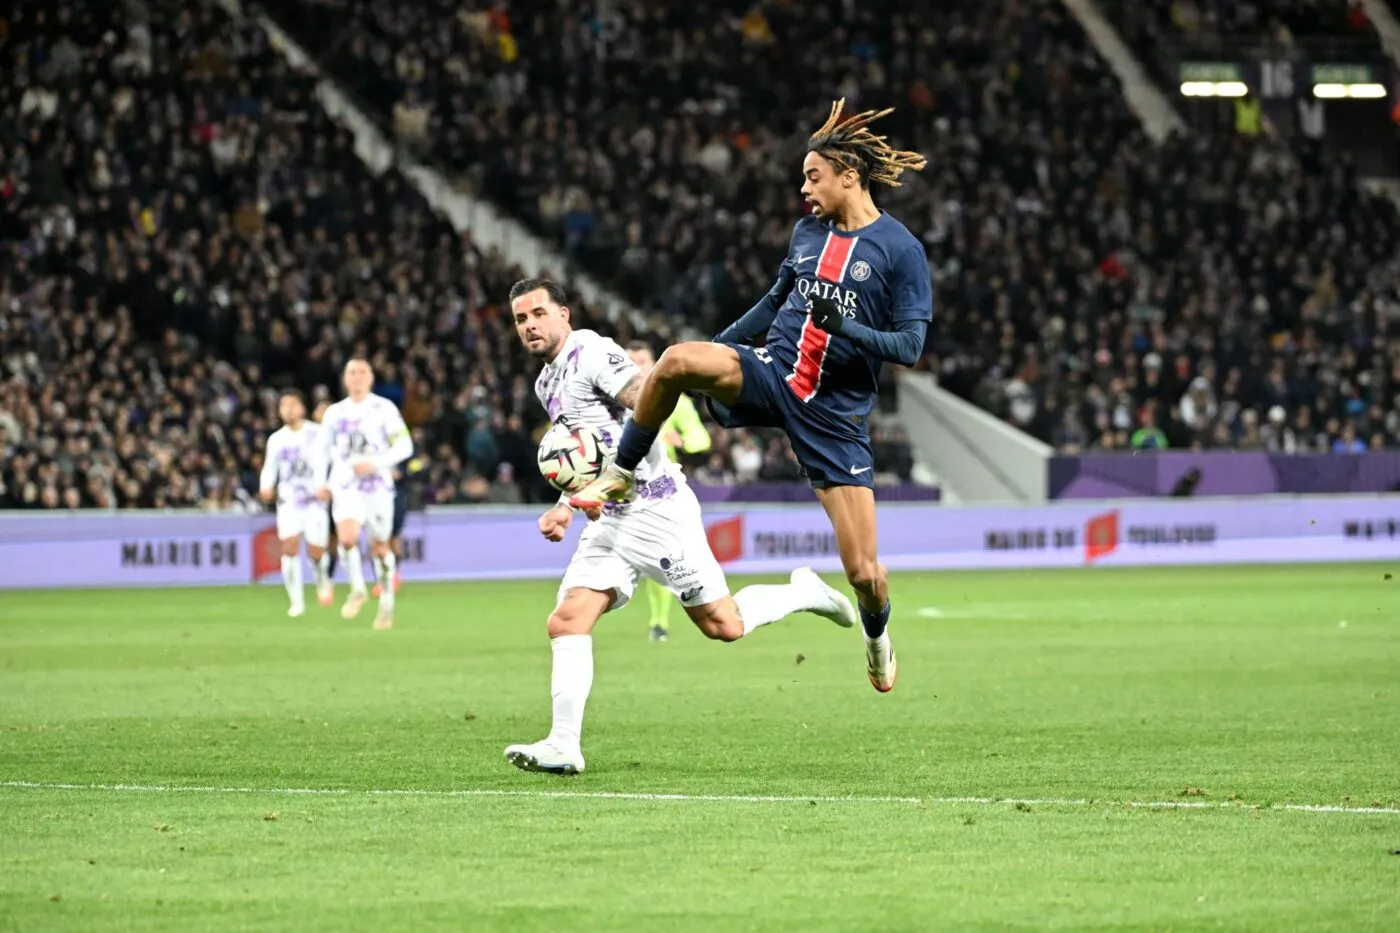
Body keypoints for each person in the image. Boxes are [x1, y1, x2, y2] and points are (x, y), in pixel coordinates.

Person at [571, 100, 933, 693]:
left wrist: (845, 330)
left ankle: (876, 637)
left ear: (850, 175)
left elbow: (911, 345)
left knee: (865, 573)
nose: (803, 188)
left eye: (813, 177)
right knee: (677, 360)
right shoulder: (807, 233)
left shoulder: (899, 250)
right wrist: (721, 349)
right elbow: (773, 303)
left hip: (834, 415)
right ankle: (620, 470)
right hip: (772, 371)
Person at [505, 277, 857, 775]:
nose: (530, 326)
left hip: (657, 508)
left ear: (564, 313)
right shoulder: (547, 383)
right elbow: (583, 453)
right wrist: (567, 504)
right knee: (566, 620)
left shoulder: (591, 352)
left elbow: (644, 400)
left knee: (723, 625)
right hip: (611, 520)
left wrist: (609, 480)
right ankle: (564, 744)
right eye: (521, 319)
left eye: (538, 313)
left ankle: (806, 591)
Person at [625, 339, 713, 643]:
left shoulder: (675, 401)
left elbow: (702, 440)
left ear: (654, 364)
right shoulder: (608, 399)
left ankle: (659, 622)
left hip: (659, 492)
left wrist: (682, 442)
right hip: (618, 493)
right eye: (629, 359)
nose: (635, 365)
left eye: (641, 359)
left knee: (663, 561)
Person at [316, 359, 414, 629]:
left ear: (370, 378)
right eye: (351, 372)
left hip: (377, 485)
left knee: (380, 547)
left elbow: (405, 445)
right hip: (346, 483)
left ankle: (386, 604)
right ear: (345, 379)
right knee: (346, 539)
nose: (356, 377)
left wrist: (377, 463)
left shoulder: (383, 408)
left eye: (362, 372)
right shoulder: (334, 413)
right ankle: (357, 588)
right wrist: (321, 482)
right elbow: (321, 451)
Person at [257, 390, 335, 616]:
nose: (288, 410)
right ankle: (296, 601)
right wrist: (266, 486)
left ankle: (322, 578)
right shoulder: (276, 439)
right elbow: (269, 467)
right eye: (284, 406)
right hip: (289, 501)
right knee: (289, 548)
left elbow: (336, 459)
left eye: (292, 404)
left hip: (314, 501)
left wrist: (329, 485)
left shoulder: (318, 433)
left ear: (301, 408)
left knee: (316, 552)